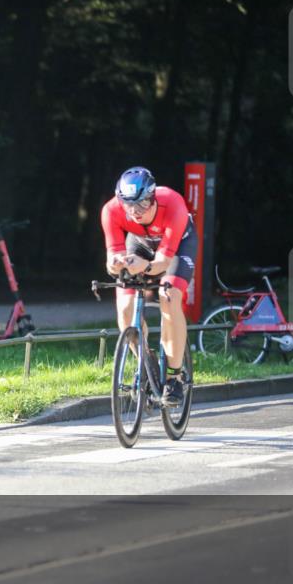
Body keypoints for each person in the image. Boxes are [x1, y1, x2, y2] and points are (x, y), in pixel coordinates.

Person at [101, 166, 197, 407]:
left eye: (142, 204)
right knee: (124, 307)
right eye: (128, 205)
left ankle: (174, 377)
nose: (135, 211)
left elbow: (162, 262)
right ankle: (146, 360)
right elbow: (111, 261)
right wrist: (116, 263)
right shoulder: (111, 210)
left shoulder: (173, 203)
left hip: (177, 245)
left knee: (169, 296)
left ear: (153, 197)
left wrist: (143, 266)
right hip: (140, 243)